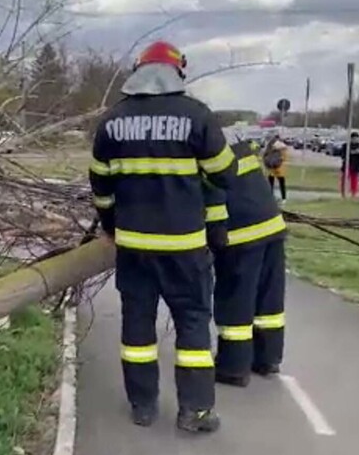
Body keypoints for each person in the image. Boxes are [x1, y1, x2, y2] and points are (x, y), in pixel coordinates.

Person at [89, 41, 236, 433]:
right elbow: (224, 172)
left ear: (138, 71)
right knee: (191, 323)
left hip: (134, 247)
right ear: (177, 71)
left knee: (137, 326)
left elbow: (100, 187)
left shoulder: (111, 121)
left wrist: (110, 224)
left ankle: (142, 406)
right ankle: (195, 411)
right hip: (184, 248)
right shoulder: (196, 116)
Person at [205, 140, 287, 386]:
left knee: (235, 300)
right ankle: (267, 359)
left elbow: (211, 200)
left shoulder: (202, 158)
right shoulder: (237, 148)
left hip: (240, 235)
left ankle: (233, 367)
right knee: (268, 300)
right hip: (272, 226)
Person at [262, 133, 289, 205]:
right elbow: (284, 156)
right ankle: (283, 198)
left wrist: (266, 163)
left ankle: (271, 197)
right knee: (281, 183)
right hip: (279, 167)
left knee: (271, 183)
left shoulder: (269, 146)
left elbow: (265, 155)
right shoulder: (281, 146)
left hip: (271, 167)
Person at [340, 132, 359, 198]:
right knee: (344, 179)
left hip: (356, 165)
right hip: (347, 165)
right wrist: (350, 153)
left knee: (354, 180)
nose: (355, 140)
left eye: (356, 138)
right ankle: (343, 193)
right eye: (353, 138)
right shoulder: (346, 146)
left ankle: (353, 194)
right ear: (351, 138)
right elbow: (342, 155)